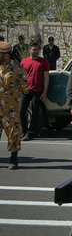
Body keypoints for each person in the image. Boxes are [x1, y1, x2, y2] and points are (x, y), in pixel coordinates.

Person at [0, 41, 28, 169]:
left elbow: (24, 87)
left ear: (6, 55)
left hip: (10, 108)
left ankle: (13, 158)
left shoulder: (17, 68)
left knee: (13, 133)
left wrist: (12, 98)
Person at [19, 42, 49, 141]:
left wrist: (44, 92)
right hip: (25, 90)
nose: (36, 51)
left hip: (37, 91)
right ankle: (24, 131)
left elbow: (46, 77)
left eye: (37, 49)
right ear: (29, 50)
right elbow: (20, 76)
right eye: (33, 49)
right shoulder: (24, 62)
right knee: (21, 111)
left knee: (35, 112)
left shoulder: (43, 62)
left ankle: (30, 132)